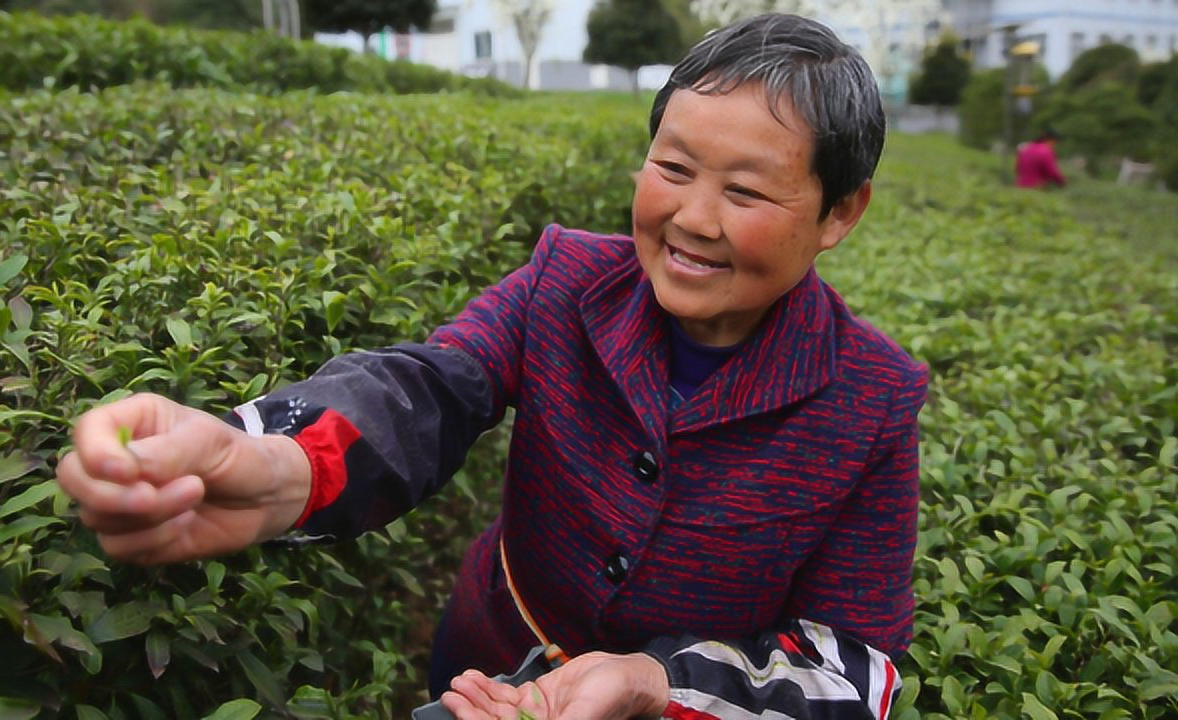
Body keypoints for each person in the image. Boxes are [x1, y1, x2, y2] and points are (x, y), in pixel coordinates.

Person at [57, 14, 927, 720]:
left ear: (839, 211)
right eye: (672, 167)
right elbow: (432, 385)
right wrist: (275, 460)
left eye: (744, 192)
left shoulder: (874, 400)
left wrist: (655, 684)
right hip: (483, 651)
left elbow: (852, 666)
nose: (693, 218)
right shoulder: (567, 280)